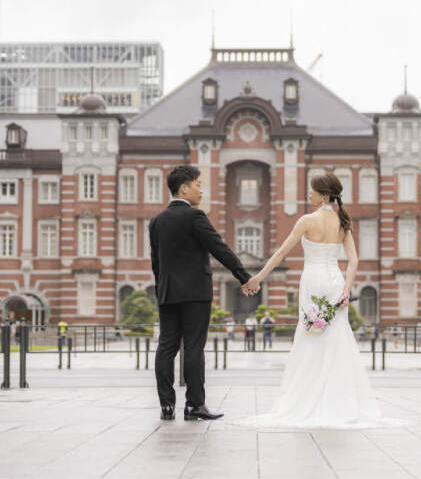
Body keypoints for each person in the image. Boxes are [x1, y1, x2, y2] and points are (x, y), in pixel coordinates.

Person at [237, 172, 400, 429]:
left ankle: (307, 397)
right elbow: (354, 260)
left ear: (323, 194)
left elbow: (281, 252)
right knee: (336, 339)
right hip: (335, 281)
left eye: (312, 191)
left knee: (310, 337)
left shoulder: (306, 221)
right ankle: (338, 401)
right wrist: (346, 290)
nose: (309, 194)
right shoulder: (342, 222)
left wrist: (257, 278)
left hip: (313, 281)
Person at [149, 165, 255, 422]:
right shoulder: (195, 217)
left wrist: (162, 286)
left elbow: (156, 262)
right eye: (198, 184)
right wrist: (244, 276)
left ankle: (166, 406)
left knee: (166, 347)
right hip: (196, 293)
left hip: (167, 291)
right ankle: (195, 404)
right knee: (194, 348)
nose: (201, 189)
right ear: (184, 188)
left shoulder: (156, 221)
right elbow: (219, 248)